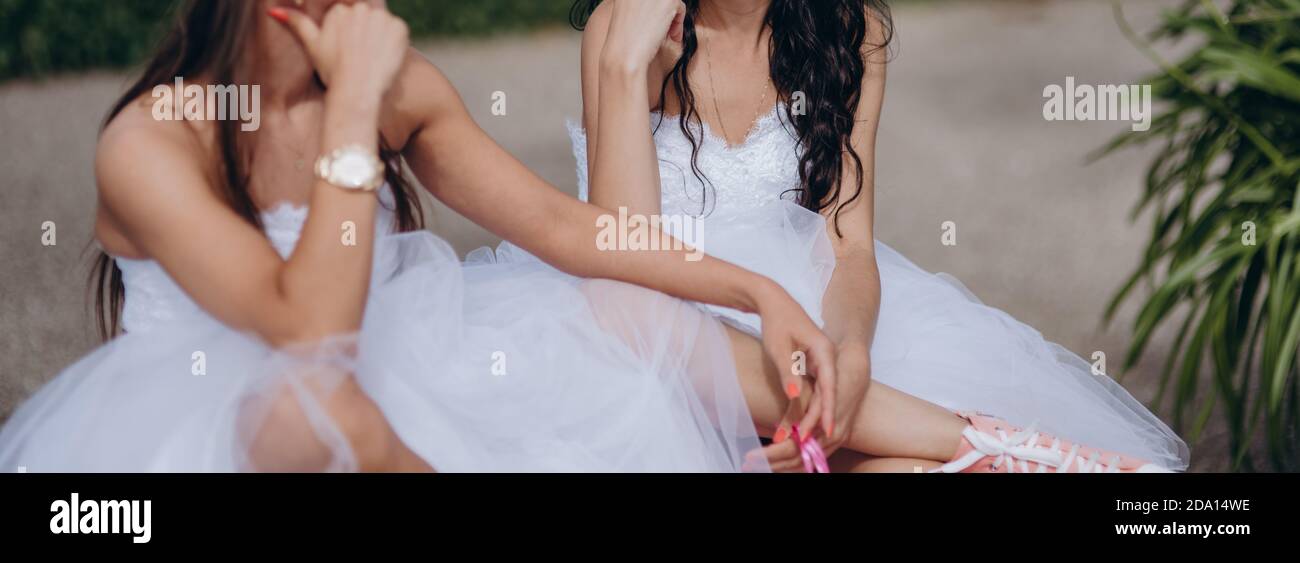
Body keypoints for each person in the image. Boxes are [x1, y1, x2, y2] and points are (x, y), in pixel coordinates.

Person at [0, 0, 835, 473]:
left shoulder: (397, 88)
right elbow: (309, 331)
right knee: (312, 412)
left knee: (596, 338)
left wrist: (753, 289)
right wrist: (357, 109)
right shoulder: (150, 142)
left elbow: (561, 225)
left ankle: (942, 442)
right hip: (211, 432)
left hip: (392, 377)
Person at [570, 0, 1189, 472]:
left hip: (809, 332)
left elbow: (848, 245)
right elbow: (622, 254)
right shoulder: (629, 26)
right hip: (661, 347)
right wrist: (626, 64)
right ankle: (991, 439)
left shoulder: (846, 28)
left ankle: (1010, 453)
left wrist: (852, 352)